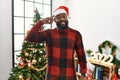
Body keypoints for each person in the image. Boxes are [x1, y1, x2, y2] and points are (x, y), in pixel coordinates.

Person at [25, 5, 87, 80]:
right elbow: (30, 37)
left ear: (67, 17)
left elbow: (81, 55)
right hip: (52, 76)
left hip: (69, 76)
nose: (62, 19)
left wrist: (83, 74)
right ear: (54, 20)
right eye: (58, 17)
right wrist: (42, 22)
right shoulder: (49, 33)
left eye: (64, 16)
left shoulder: (76, 34)